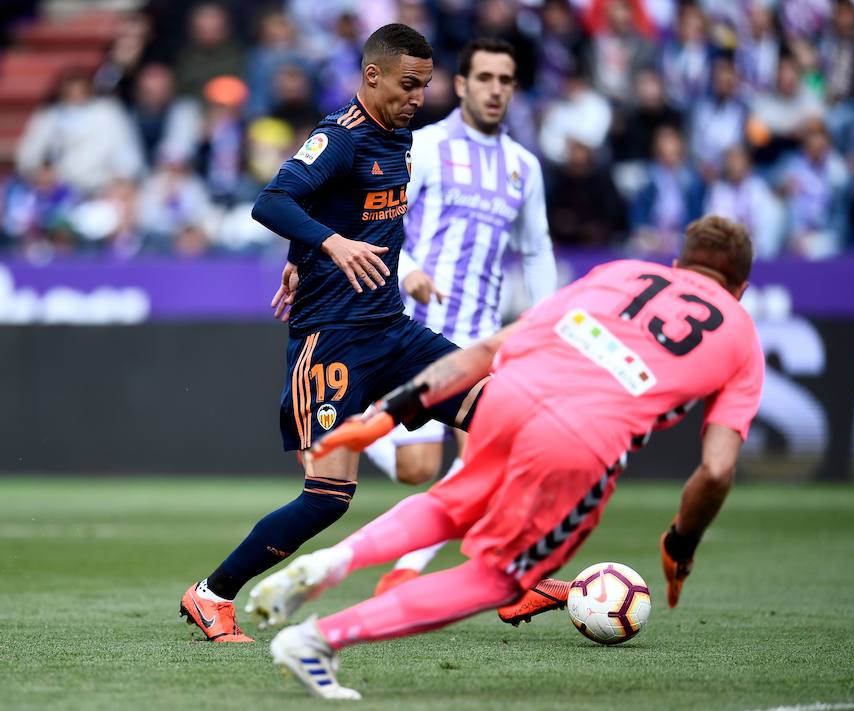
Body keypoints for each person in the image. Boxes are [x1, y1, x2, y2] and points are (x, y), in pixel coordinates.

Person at [245, 215, 765, 699]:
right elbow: (717, 469)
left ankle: (333, 560)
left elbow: (490, 349)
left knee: (452, 503)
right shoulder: (740, 335)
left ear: (677, 264)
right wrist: (682, 541)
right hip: (581, 438)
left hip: (511, 395)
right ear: (740, 288)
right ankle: (317, 639)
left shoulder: (624, 273)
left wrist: (387, 414)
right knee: (500, 579)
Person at [179, 24, 482, 643]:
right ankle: (211, 595)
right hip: (332, 338)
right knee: (328, 496)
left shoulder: (397, 139)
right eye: (408, 84)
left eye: (425, 85)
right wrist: (327, 246)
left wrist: (301, 253)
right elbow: (272, 200)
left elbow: (326, 206)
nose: (418, 96)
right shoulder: (337, 137)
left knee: (505, 413)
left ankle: (511, 571)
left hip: (394, 331)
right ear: (372, 76)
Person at [363, 37, 557, 593]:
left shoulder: (523, 167)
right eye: (486, 78)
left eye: (506, 80)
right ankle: (357, 419)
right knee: (420, 469)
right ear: (463, 85)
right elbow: (383, 222)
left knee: (486, 462)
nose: (496, 90)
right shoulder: (423, 147)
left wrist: (545, 321)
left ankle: (421, 571)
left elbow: (537, 248)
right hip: (416, 329)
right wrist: (409, 270)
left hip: (479, 337)